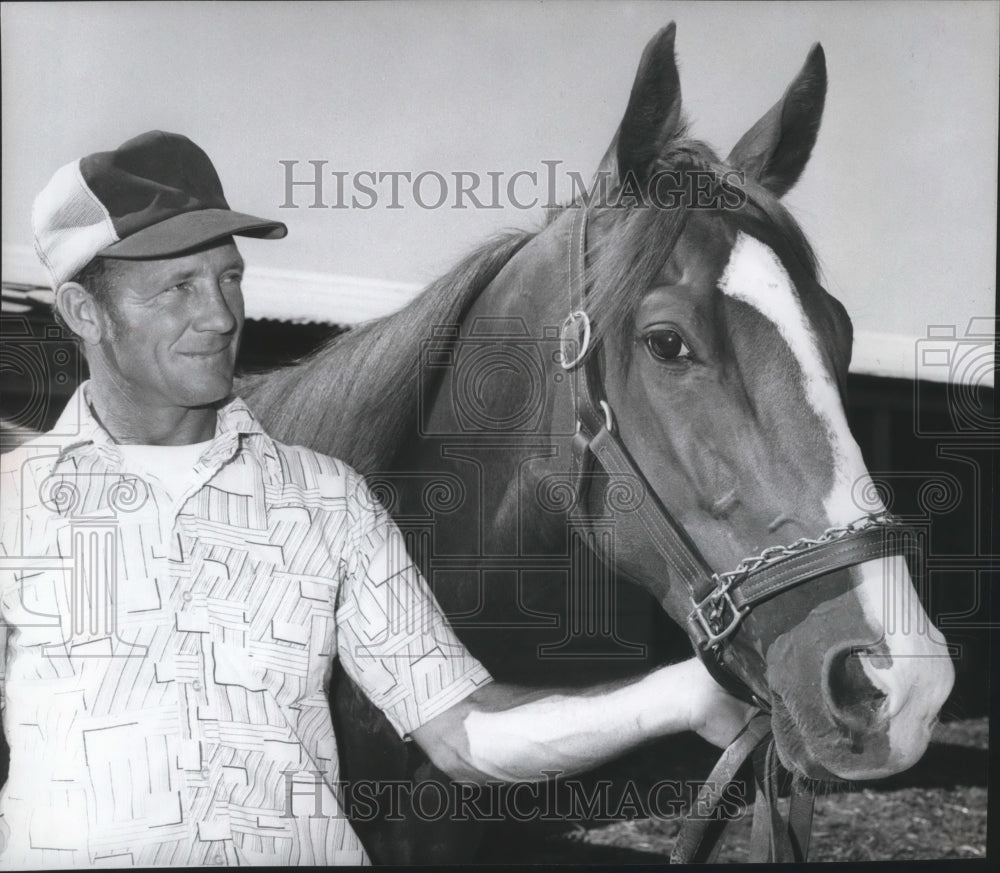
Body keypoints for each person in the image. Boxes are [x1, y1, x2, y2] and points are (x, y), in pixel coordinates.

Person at [0, 131, 753, 867]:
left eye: (228, 276)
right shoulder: (15, 505)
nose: (222, 315)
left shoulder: (326, 499)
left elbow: (463, 736)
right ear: (81, 311)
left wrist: (679, 694)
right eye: (178, 287)